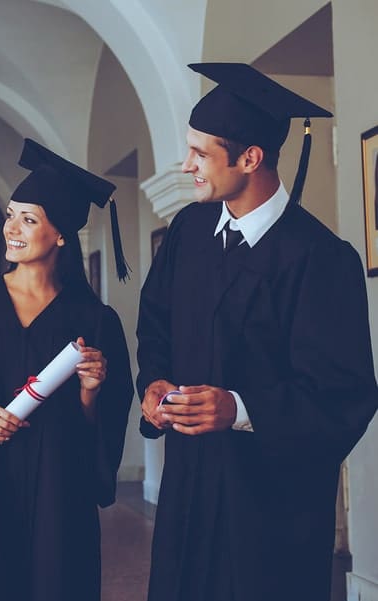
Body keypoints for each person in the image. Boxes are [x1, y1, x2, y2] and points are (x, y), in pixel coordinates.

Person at [137, 63, 378, 601]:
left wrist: (241, 410)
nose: (187, 165)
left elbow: (345, 395)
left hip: (271, 510)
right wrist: (153, 384)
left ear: (250, 158)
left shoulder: (321, 259)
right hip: (190, 492)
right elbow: (154, 326)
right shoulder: (188, 233)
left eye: (201, 153)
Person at [0, 138, 134, 601]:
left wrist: (91, 393)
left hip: (62, 490)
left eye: (28, 219)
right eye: (11, 214)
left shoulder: (95, 321)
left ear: (60, 235)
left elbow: (104, 428)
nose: (11, 228)